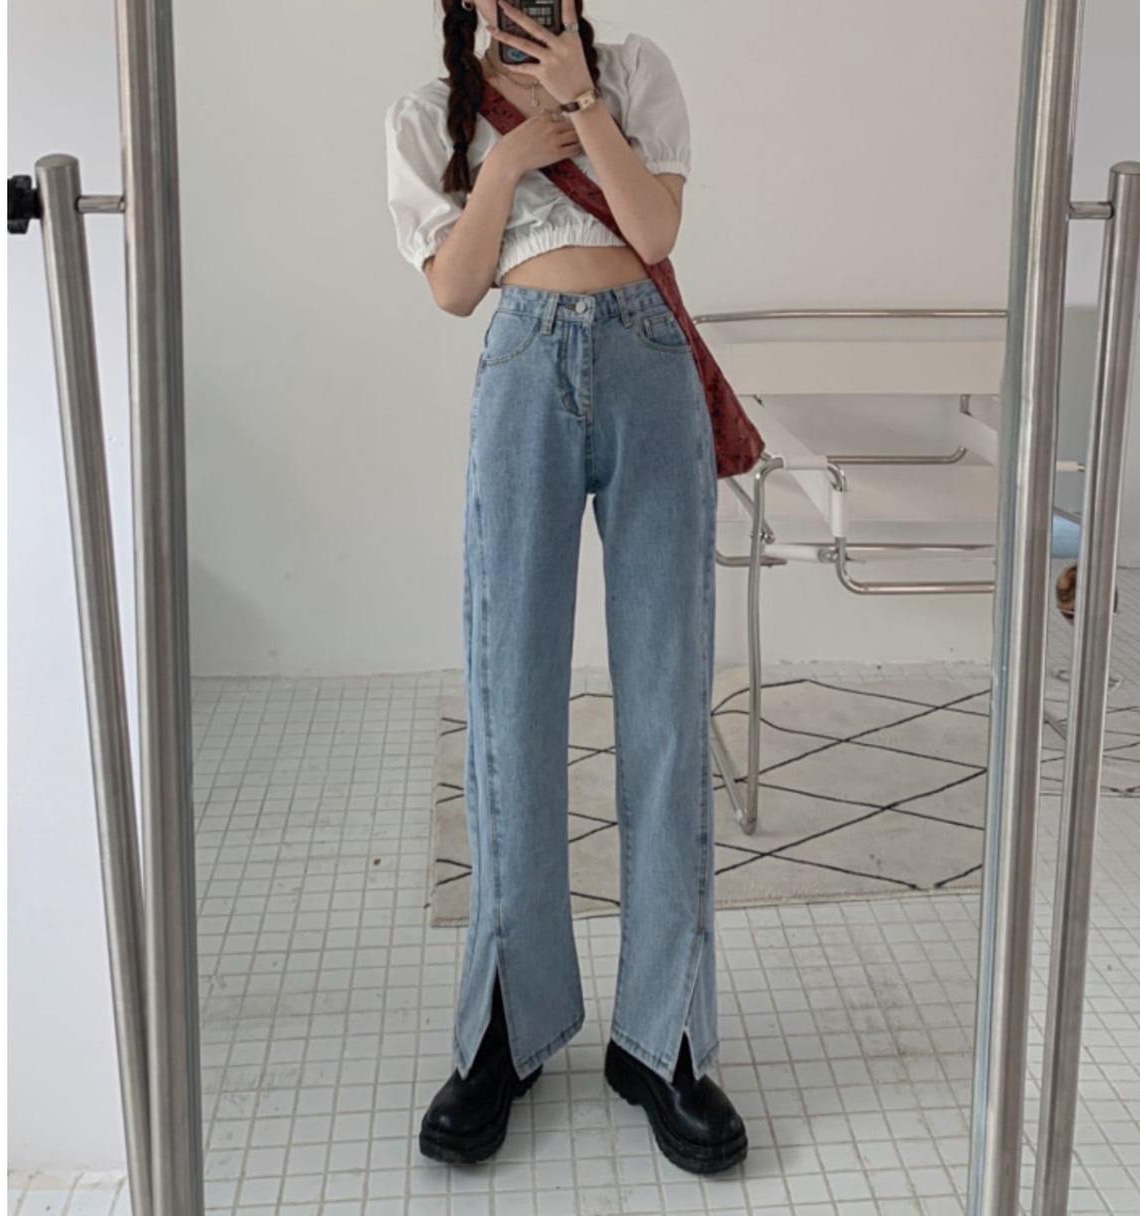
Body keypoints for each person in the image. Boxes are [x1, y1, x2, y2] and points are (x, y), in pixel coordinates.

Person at [384, 0, 747, 1175]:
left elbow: (654, 229)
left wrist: (584, 103)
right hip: (523, 363)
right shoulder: (428, 112)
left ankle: (663, 1036)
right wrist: (505, 162)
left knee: (666, 707)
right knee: (510, 706)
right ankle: (507, 1024)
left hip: (648, 366)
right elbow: (453, 289)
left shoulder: (633, 71)